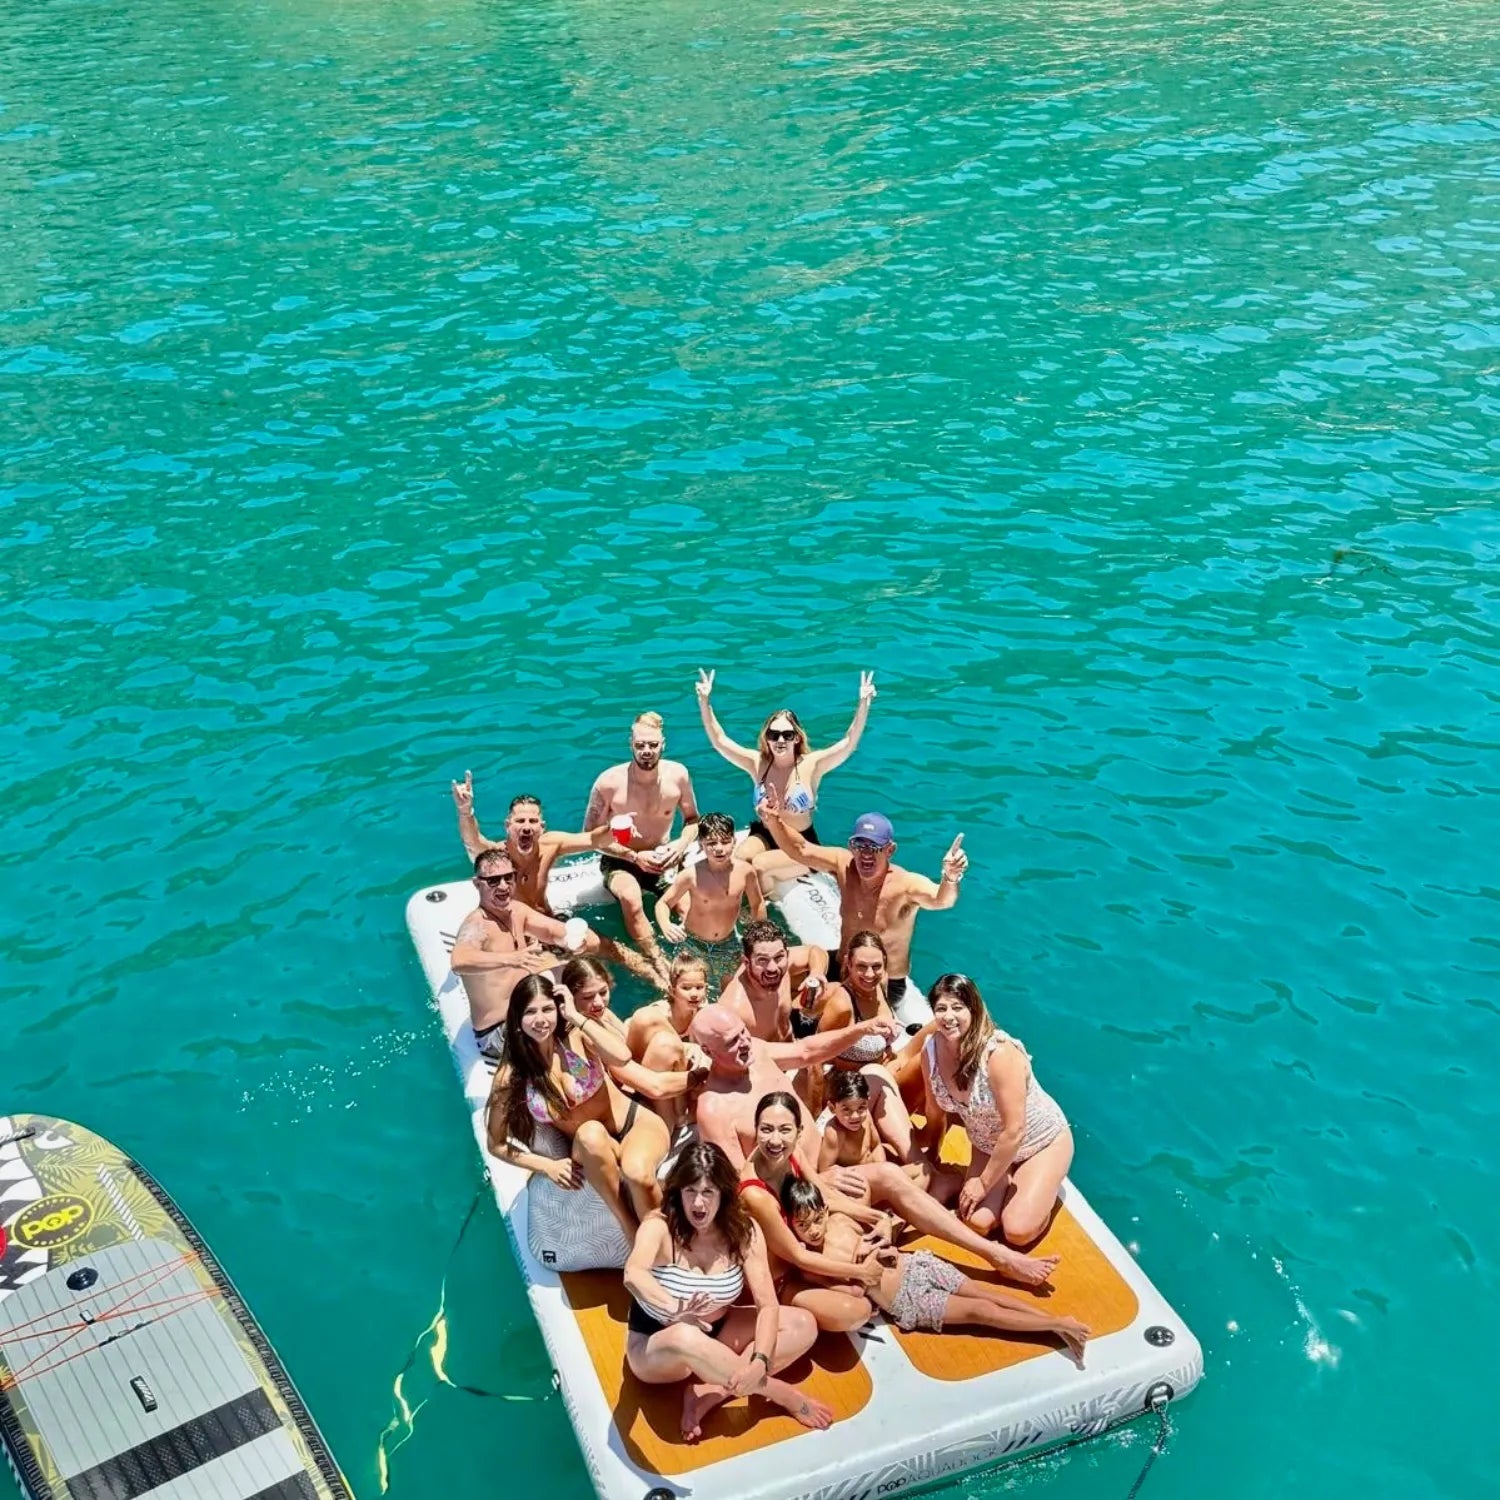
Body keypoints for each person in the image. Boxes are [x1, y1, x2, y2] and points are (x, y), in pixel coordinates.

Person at [691, 1006, 1058, 1286]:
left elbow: (805, 1052)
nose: (743, 1045)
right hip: (803, 1193)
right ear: (707, 1049)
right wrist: (812, 1183)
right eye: (731, 1043)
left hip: (827, 1167)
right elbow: (740, 1184)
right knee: (891, 1177)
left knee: (875, 1078)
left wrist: (861, 1029)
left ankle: (918, 1191)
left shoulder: (754, 1051)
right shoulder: (714, 1106)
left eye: (743, 1034)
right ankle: (995, 1255)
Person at [624, 1142, 833, 1442]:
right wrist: (674, 1308)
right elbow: (634, 1273)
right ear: (677, 1191)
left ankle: (715, 1391)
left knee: (803, 1324)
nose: (698, 1204)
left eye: (708, 1192)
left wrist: (760, 1360)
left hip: (718, 1329)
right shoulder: (660, 1226)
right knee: (685, 1334)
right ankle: (781, 1394)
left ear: (723, 1192)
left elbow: (767, 1306)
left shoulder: (743, 1231)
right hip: (658, 1346)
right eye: (690, 1191)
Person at [780, 1176, 1090, 1364]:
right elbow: (855, 1292)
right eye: (803, 1226)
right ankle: (1057, 1324)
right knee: (980, 1311)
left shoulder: (841, 1221)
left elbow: (883, 1225)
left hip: (917, 1264)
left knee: (986, 1293)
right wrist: (862, 1266)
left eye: (816, 1219)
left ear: (824, 1210)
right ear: (791, 1227)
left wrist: (881, 1244)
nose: (813, 1230)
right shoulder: (811, 1266)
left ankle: (1056, 1323)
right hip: (906, 1299)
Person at [484, 974, 670, 1241]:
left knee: (638, 1174)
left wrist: (575, 1015)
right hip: (590, 1147)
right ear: (517, 1018)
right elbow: (496, 1144)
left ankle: (663, 1243)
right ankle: (630, 1230)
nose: (541, 1020)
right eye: (530, 1012)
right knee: (590, 1133)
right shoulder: (511, 1076)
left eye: (548, 1009)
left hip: (634, 1125)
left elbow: (622, 1055)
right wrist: (546, 1165)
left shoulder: (577, 1035)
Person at [756, 790, 967, 1006]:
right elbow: (800, 849)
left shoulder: (905, 885)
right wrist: (773, 820)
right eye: (860, 845)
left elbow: (942, 900)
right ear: (851, 847)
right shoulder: (844, 864)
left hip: (880, 982)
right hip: (844, 965)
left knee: (817, 1005)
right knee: (774, 976)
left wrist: (950, 877)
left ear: (890, 850)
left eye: (874, 847)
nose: (866, 854)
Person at [451, 848, 656, 1061]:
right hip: (501, 1032)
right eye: (493, 881)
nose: (503, 886)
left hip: (531, 1009)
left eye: (508, 877)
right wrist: (511, 958)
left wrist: (571, 940)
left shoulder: (516, 911)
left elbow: (550, 931)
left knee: (582, 975)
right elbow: (459, 961)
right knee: (576, 1026)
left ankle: (626, 1040)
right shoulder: (477, 925)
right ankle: (619, 1059)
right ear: (477, 884)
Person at [919, 973, 1072, 1247]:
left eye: (958, 1007)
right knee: (977, 1222)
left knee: (1017, 1231)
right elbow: (934, 1111)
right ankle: (1009, 1177)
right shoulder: (930, 1051)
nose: (948, 1016)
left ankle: (1040, 1181)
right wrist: (931, 1155)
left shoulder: (998, 1054)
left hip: (1039, 1141)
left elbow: (1014, 1130)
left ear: (974, 1009)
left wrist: (983, 1183)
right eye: (941, 1008)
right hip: (988, 1144)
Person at [695, 668, 876, 876]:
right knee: (738, 859)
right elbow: (720, 741)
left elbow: (848, 743)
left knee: (760, 865)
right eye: (774, 735)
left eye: (787, 735)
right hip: (765, 835)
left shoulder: (812, 764)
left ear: (797, 738)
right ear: (767, 737)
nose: (780, 740)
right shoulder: (757, 763)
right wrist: (704, 701)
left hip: (801, 842)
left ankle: (762, 903)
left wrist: (864, 704)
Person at [736, 1092, 888, 1334]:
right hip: (783, 1279)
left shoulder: (792, 1152)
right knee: (854, 1311)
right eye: (766, 1130)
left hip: (804, 1245)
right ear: (756, 1130)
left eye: (785, 1130)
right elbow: (798, 1256)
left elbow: (825, 1196)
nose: (775, 1140)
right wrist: (861, 1272)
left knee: (859, 1190)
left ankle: (858, 1282)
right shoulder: (755, 1195)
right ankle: (859, 1287)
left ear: (799, 1131)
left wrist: (880, 1218)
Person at [582, 712, 700, 971]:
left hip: (662, 857)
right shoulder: (609, 783)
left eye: (653, 745)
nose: (647, 751)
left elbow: (693, 821)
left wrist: (679, 847)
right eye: (640, 745)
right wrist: (633, 857)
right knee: (632, 899)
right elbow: (589, 837)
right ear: (630, 744)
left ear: (663, 744)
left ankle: (697, 960)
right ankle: (659, 963)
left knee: (687, 906)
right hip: (620, 859)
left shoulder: (678, 775)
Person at [797, 930, 932, 1143]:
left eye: (876, 966)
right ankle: (927, 1143)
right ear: (848, 964)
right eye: (861, 966)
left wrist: (886, 1051)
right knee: (925, 1061)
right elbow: (815, 1061)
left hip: (882, 1068)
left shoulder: (879, 985)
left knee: (936, 1031)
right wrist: (815, 1117)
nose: (869, 974)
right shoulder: (843, 1005)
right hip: (853, 1091)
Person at [558, 957, 712, 1123]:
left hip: (634, 1079)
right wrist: (700, 1075)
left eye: (603, 992)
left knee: (652, 1026)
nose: (598, 1003)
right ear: (570, 999)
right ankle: (680, 1111)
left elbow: (627, 1039)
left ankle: (681, 1109)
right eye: (587, 997)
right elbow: (655, 1087)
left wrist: (689, 1048)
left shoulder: (602, 1014)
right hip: (628, 1097)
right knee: (664, 1043)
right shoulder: (585, 1034)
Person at [451, 774, 615, 915]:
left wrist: (623, 825)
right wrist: (465, 812)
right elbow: (473, 842)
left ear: (542, 827)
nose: (527, 827)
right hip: (515, 930)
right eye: (520, 821)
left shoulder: (551, 845)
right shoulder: (497, 857)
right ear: (508, 825)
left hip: (547, 920)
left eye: (533, 821)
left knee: (605, 946)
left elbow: (593, 840)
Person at [654, 812, 767, 993]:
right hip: (693, 943)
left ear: (734, 841)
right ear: (701, 845)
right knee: (688, 991)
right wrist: (666, 924)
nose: (719, 848)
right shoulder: (691, 875)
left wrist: (759, 937)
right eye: (711, 843)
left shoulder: (745, 872)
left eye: (724, 841)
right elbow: (663, 904)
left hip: (728, 943)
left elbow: (757, 904)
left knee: (731, 992)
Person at [624, 954, 715, 1139]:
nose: (694, 993)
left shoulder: (704, 1014)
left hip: (681, 1077)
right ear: (672, 990)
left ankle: (682, 1113)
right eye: (686, 988)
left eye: (699, 987)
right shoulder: (660, 1014)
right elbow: (631, 1030)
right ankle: (678, 1114)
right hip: (654, 1069)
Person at [720, 920, 831, 1046]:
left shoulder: (784, 962)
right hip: (768, 1058)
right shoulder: (735, 1009)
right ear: (746, 962)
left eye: (779, 957)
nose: (772, 968)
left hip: (790, 1038)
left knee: (833, 989)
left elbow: (815, 951)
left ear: (787, 955)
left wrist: (816, 972)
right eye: (762, 960)